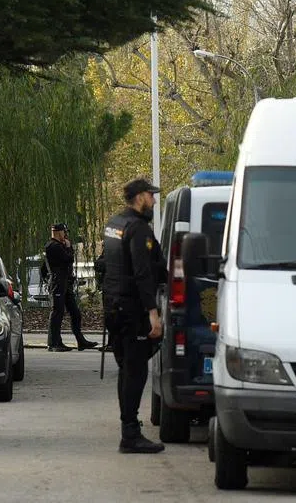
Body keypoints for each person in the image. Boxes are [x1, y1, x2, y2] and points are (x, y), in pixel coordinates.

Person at [101, 177, 166, 454]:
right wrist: (153, 314)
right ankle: (130, 434)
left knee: (126, 368)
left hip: (113, 307)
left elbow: (104, 264)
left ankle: (129, 428)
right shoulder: (138, 229)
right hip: (132, 309)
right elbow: (142, 273)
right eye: (151, 196)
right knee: (136, 370)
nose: (153, 200)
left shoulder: (114, 225)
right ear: (140, 197)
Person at [45, 223, 99, 353]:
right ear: (58, 232)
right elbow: (68, 259)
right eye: (64, 232)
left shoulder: (59, 246)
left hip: (65, 283)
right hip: (58, 283)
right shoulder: (53, 246)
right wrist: (69, 248)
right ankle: (54, 343)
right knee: (57, 312)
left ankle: (81, 341)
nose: (66, 235)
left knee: (75, 312)